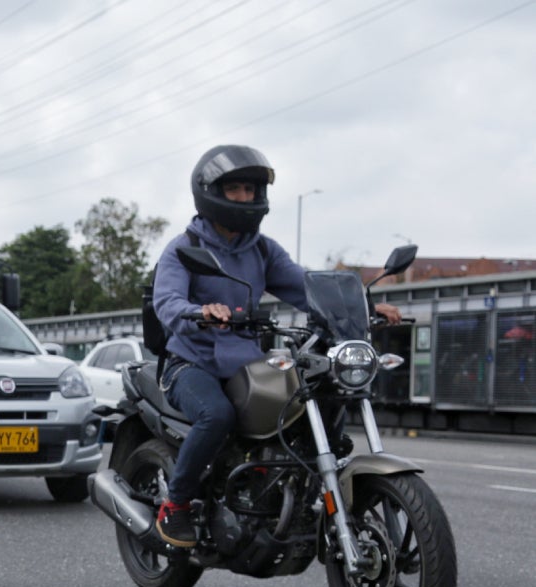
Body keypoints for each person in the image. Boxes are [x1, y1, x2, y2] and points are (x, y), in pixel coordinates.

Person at [150, 145, 400, 548]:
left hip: (247, 363)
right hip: (191, 362)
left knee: (303, 401)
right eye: (234, 189)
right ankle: (175, 505)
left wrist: (365, 306)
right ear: (210, 192)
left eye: (250, 189)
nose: (244, 197)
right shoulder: (184, 248)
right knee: (216, 415)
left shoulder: (262, 249)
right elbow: (167, 301)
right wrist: (200, 311)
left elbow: (307, 287)